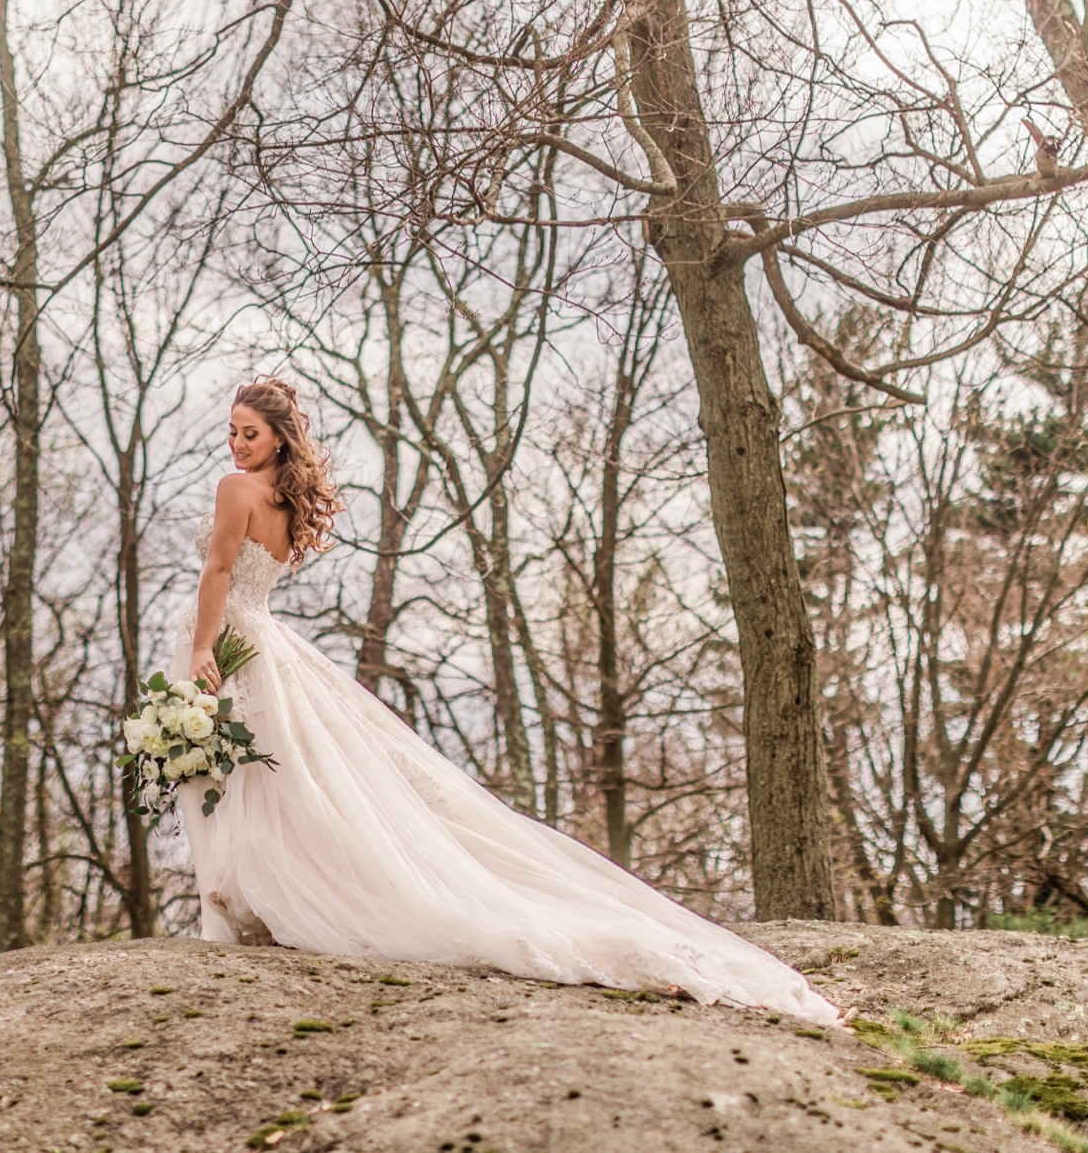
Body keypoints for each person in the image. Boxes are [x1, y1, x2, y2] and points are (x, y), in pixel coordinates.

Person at [172, 377, 838, 1021]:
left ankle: (250, 906)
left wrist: (204, 648)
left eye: (250, 433)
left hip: (232, 637)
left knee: (252, 773)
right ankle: (252, 905)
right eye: (232, 432)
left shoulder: (237, 489)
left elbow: (220, 571)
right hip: (264, 639)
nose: (237, 444)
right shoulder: (286, 500)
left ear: (280, 438)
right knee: (268, 776)